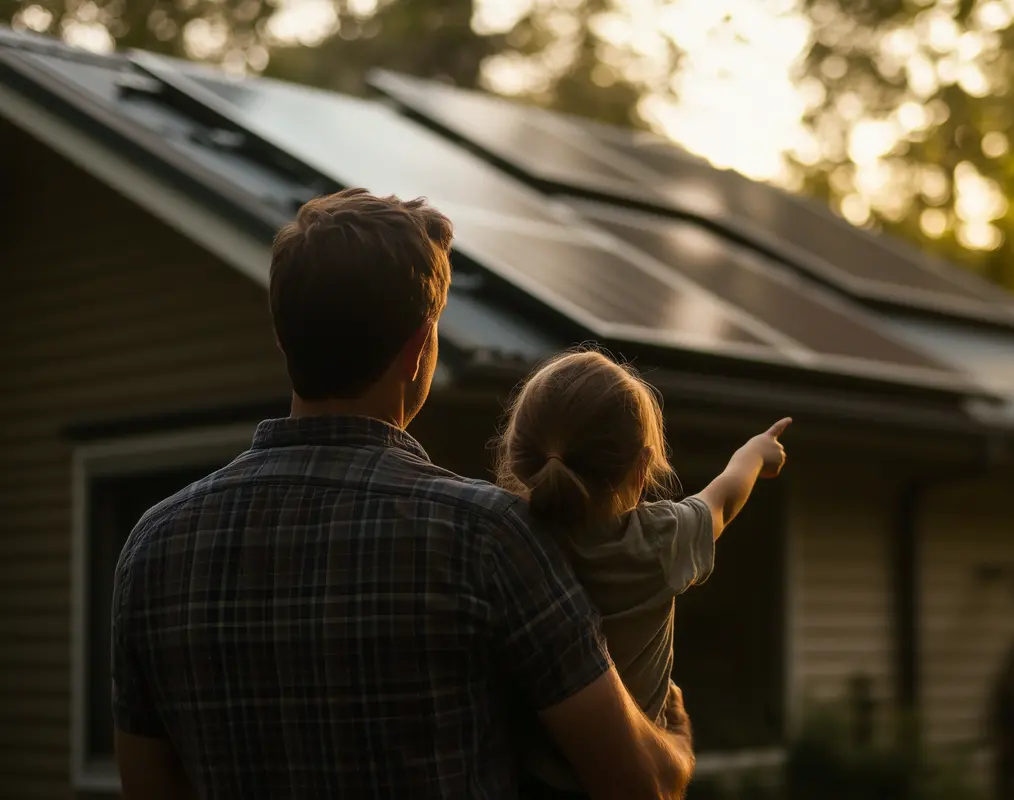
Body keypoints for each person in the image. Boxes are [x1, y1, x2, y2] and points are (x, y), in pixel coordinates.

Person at [110, 189, 695, 800]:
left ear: (284, 341)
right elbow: (637, 784)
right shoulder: (487, 537)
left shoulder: (152, 546)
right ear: (418, 352)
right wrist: (675, 744)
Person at [494, 349, 790, 794]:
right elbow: (725, 497)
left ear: (521, 457)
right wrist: (755, 452)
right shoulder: (660, 541)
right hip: (635, 767)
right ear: (641, 467)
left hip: (530, 780)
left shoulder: (507, 541)